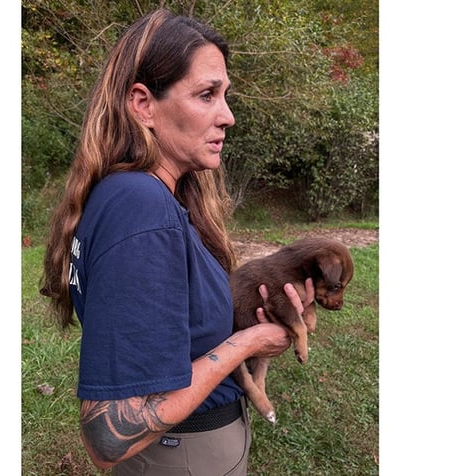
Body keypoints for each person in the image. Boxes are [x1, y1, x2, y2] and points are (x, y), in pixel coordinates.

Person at [41, 9, 313, 475]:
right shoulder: (142, 205)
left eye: (225, 96)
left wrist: (262, 317)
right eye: (206, 95)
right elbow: (107, 434)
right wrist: (248, 341)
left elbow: (169, 329)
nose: (227, 116)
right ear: (143, 104)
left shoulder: (133, 195)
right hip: (183, 458)